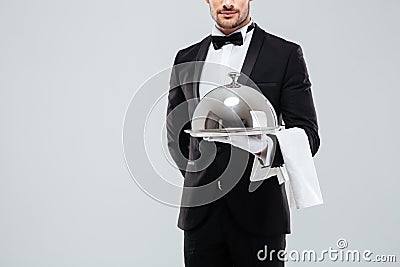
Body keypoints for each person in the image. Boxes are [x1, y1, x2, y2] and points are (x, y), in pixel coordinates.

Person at [166, 0, 320, 266]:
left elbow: (307, 135)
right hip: (200, 217)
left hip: (260, 213)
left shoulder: (284, 54)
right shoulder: (186, 58)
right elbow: (176, 134)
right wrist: (200, 175)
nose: (227, 3)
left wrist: (263, 148)